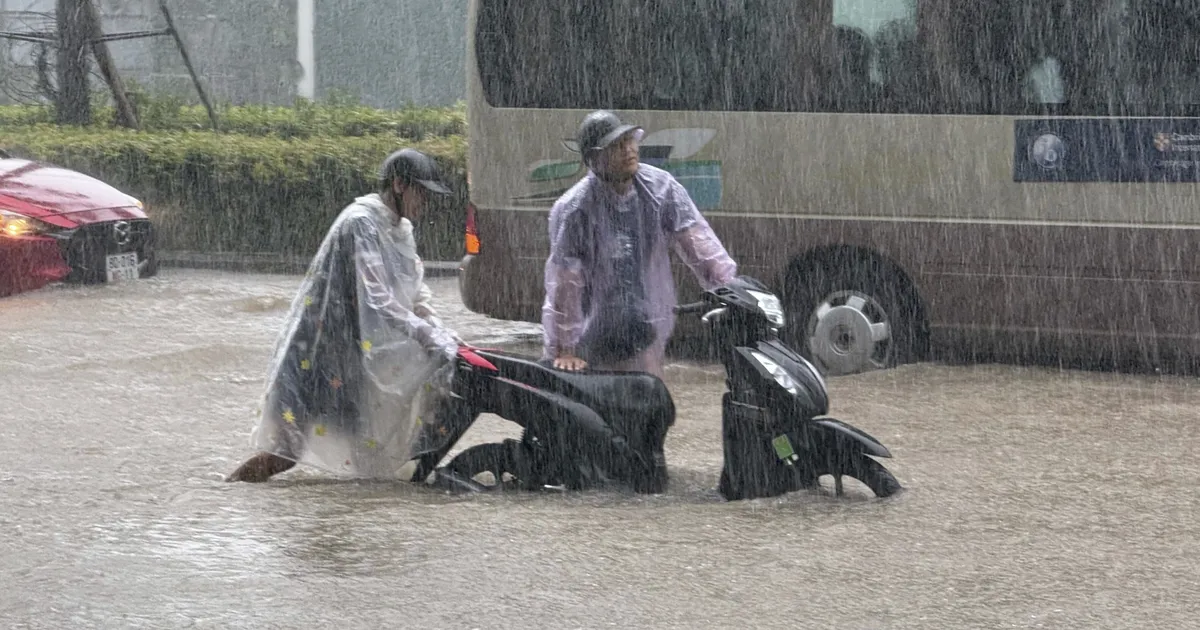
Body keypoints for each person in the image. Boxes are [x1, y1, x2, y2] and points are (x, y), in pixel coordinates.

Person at [226, 149, 461, 483]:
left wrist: (439, 328)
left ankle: (358, 520)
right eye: (421, 192)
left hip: (351, 358)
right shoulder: (360, 223)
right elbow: (377, 295)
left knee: (365, 451)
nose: (426, 202)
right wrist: (424, 334)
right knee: (285, 452)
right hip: (318, 353)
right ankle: (227, 493)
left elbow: (413, 292)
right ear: (398, 185)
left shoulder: (400, 229)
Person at [542, 110, 739, 378]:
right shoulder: (576, 209)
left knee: (648, 395)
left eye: (629, 141)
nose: (628, 150)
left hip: (644, 318)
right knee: (601, 400)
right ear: (594, 160)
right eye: (616, 146)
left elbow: (699, 245)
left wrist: (729, 291)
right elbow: (565, 283)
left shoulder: (660, 189)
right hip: (594, 328)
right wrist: (566, 347)